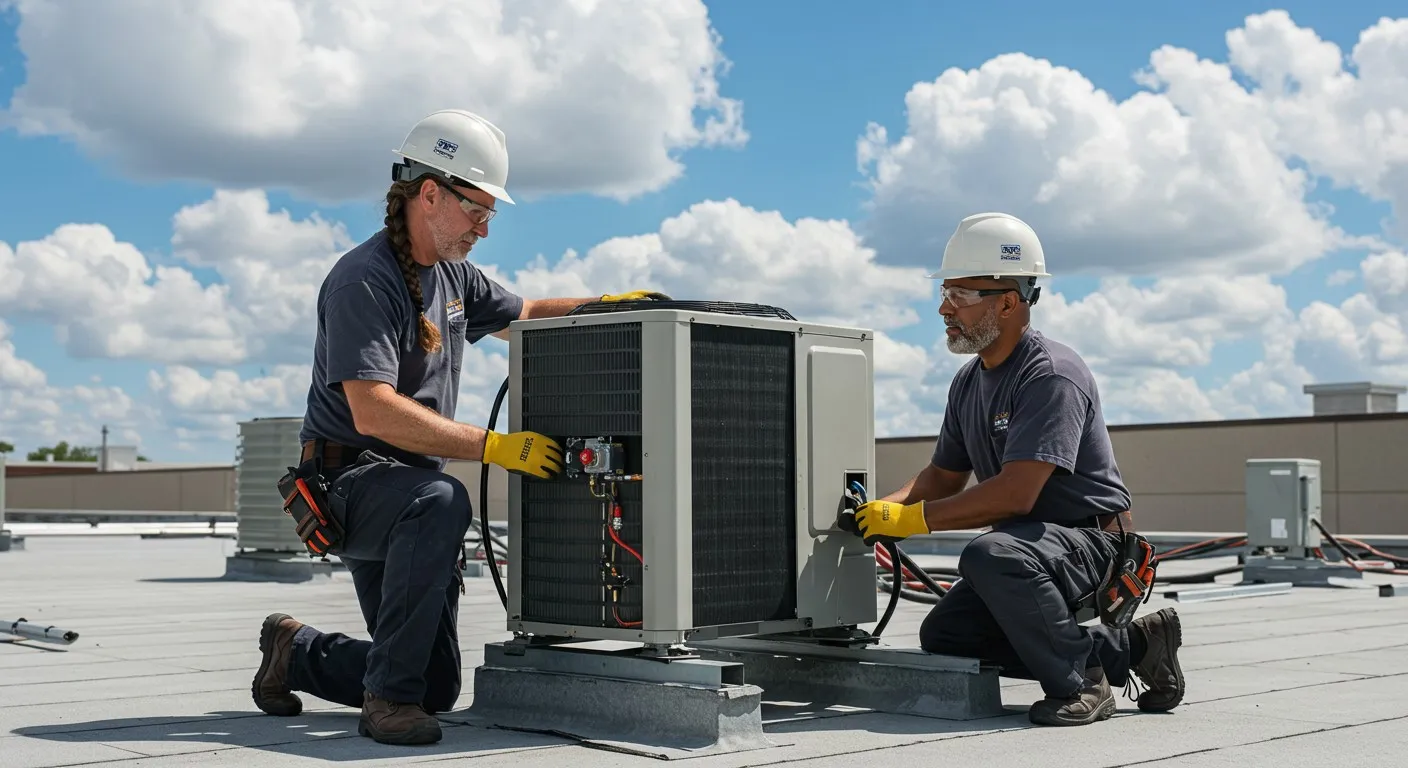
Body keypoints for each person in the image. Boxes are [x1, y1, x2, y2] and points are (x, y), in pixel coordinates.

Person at [248, 108, 667, 745]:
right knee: (445, 499)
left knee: (436, 686)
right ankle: (385, 702)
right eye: (477, 209)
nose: (484, 226)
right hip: (348, 484)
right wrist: (495, 447)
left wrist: (604, 307)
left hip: (408, 495)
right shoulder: (364, 281)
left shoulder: (453, 277)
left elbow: (522, 313)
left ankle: (296, 651)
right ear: (431, 193)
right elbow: (373, 410)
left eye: (491, 213)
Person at [852, 212, 1185, 727]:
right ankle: (1134, 648)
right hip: (1030, 549)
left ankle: (1082, 684)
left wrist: (914, 521)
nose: (944, 309)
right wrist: (882, 509)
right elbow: (942, 476)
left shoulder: (1050, 375)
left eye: (960, 296)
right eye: (945, 293)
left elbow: (1015, 495)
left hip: (1093, 545)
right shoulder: (969, 383)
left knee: (990, 553)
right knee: (946, 636)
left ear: (1008, 301)